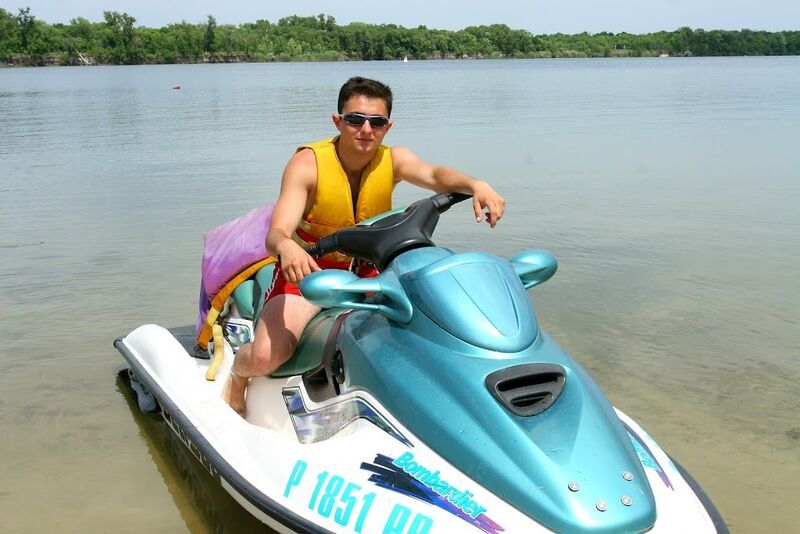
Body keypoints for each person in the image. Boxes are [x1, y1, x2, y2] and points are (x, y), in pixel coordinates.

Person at [224, 76, 505, 417]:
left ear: (388, 126)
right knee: (267, 357)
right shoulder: (307, 164)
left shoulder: (394, 159)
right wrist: (286, 246)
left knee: (437, 321)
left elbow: (434, 176)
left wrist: (476, 184)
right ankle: (237, 378)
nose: (366, 130)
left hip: (370, 276)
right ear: (338, 121)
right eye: (355, 119)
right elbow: (276, 232)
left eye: (377, 122)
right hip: (307, 276)